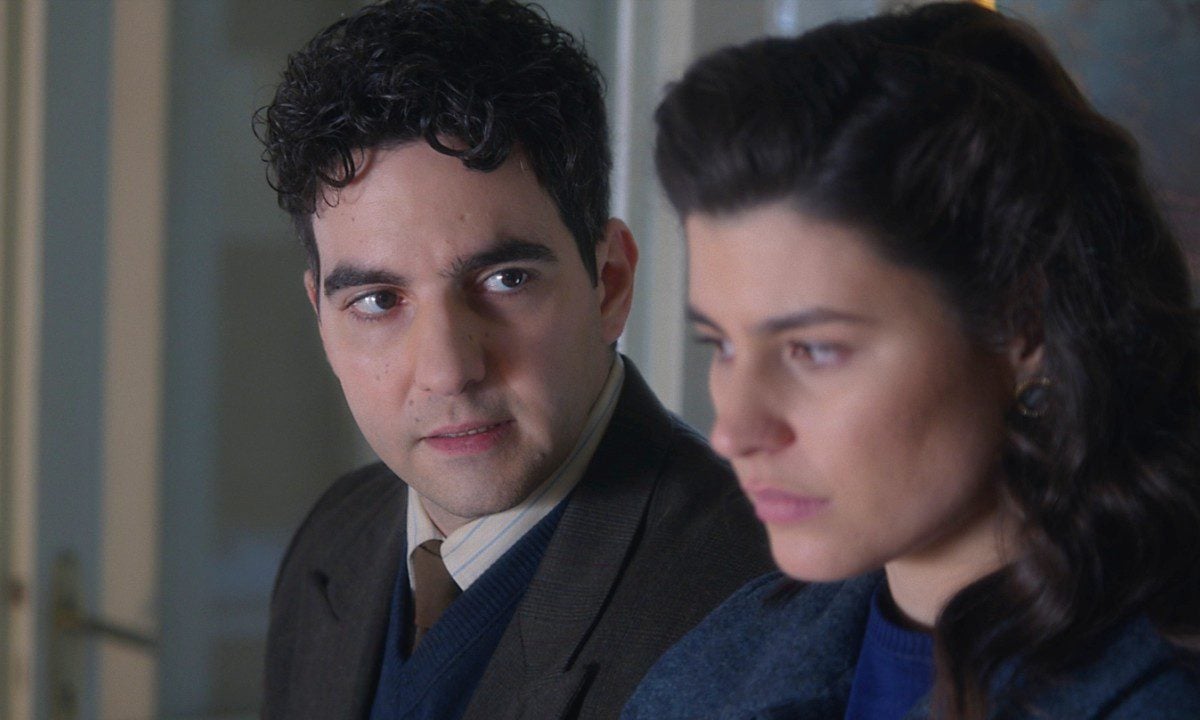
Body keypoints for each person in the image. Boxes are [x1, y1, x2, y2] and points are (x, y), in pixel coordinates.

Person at [623, 3, 1200, 719]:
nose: (732, 432)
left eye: (814, 349)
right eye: (723, 345)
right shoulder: (712, 669)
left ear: (1024, 327)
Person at [253, 1, 772, 719]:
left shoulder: (754, 602)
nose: (448, 371)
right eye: (377, 300)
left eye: (506, 281)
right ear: (322, 317)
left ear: (609, 284)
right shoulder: (336, 536)